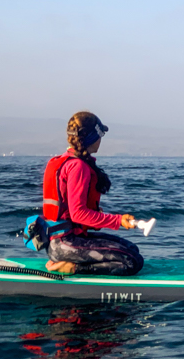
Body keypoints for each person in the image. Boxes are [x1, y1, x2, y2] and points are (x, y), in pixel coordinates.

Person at [42, 111, 144, 276]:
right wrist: (118, 220)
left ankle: (66, 260)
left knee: (132, 249)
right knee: (132, 261)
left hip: (63, 240)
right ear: (91, 138)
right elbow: (78, 214)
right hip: (65, 244)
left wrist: (98, 218)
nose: (101, 140)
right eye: (100, 135)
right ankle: (72, 267)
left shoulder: (66, 161)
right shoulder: (78, 167)